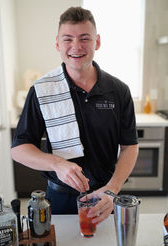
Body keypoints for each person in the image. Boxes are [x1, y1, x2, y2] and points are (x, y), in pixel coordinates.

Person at [11, 6, 138, 225]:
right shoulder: (42, 90)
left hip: (105, 197)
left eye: (84, 39)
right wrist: (57, 164)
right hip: (59, 199)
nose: (76, 47)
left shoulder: (119, 90)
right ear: (57, 44)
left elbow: (129, 146)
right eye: (68, 39)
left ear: (97, 42)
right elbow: (19, 149)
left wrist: (113, 189)